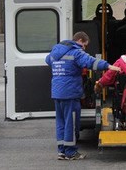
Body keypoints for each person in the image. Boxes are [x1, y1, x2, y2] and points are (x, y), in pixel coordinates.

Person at [45, 31, 121, 160]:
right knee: (71, 122)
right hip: (70, 92)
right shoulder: (76, 52)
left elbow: (48, 61)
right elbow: (91, 62)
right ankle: (70, 152)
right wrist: (109, 66)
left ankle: (61, 151)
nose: (84, 48)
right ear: (79, 40)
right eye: (84, 45)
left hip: (57, 92)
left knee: (61, 121)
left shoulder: (55, 52)